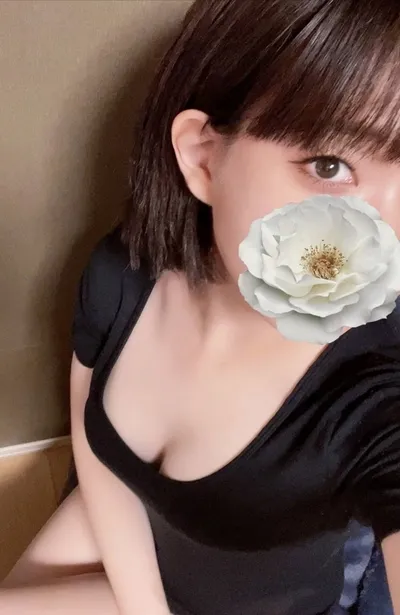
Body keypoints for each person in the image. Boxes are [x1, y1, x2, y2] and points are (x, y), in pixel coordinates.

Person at [1, 1, 400, 613]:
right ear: (202, 156)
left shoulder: (373, 391)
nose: (387, 244)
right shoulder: (121, 274)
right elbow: (92, 431)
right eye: (331, 166)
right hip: (135, 518)